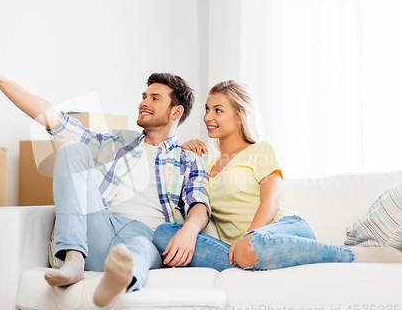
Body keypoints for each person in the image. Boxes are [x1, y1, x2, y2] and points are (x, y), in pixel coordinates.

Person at [0, 42, 210, 307]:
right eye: (144, 96)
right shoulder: (115, 144)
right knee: (72, 148)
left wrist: (190, 229)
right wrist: (0, 79)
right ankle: (73, 258)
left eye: (154, 98)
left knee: (141, 249)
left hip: (146, 237)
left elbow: (199, 204)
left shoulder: (188, 159)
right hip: (99, 229)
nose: (144, 102)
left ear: (176, 112)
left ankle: (120, 282)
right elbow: (53, 117)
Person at [153, 79, 402, 271]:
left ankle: (351, 255)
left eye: (218, 110)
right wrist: (180, 155)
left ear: (240, 116)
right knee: (164, 234)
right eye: (207, 109)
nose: (208, 117)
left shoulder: (262, 150)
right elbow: (185, 206)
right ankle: (246, 260)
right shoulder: (205, 168)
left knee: (255, 245)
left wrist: (248, 238)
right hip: (236, 248)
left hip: (281, 230)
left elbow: (270, 202)